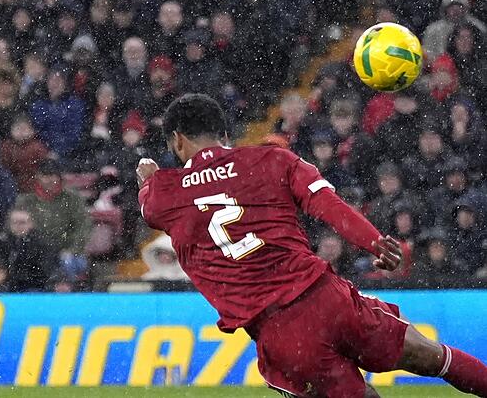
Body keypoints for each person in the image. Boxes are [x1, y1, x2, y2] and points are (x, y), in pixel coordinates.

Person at [136, 94, 487, 397]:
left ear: (178, 140)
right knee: (432, 357)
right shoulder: (274, 159)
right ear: (225, 135)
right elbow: (328, 205)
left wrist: (149, 180)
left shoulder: (165, 194)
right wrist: (374, 242)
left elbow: (149, 202)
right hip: (325, 296)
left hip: (281, 332)